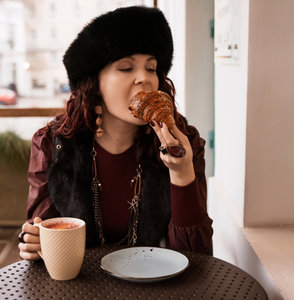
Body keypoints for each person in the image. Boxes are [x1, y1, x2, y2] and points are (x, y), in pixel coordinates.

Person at [18, 6, 213, 261]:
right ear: (95, 83)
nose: (144, 78)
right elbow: (43, 234)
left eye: (151, 68)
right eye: (125, 68)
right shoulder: (53, 144)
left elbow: (196, 257)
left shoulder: (185, 143)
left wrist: (181, 172)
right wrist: (33, 243)